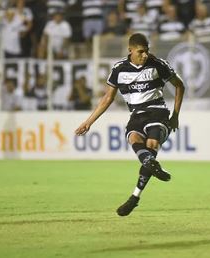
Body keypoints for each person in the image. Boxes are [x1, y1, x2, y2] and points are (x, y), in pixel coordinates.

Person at [75, 33, 185, 216]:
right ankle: (144, 178)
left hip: (158, 112)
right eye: (141, 52)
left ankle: (135, 195)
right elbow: (107, 98)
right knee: (134, 138)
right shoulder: (119, 69)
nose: (145, 55)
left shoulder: (158, 64)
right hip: (136, 115)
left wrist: (175, 115)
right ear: (130, 51)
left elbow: (180, 85)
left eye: (147, 51)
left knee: (151, 145)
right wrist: (89, 122)